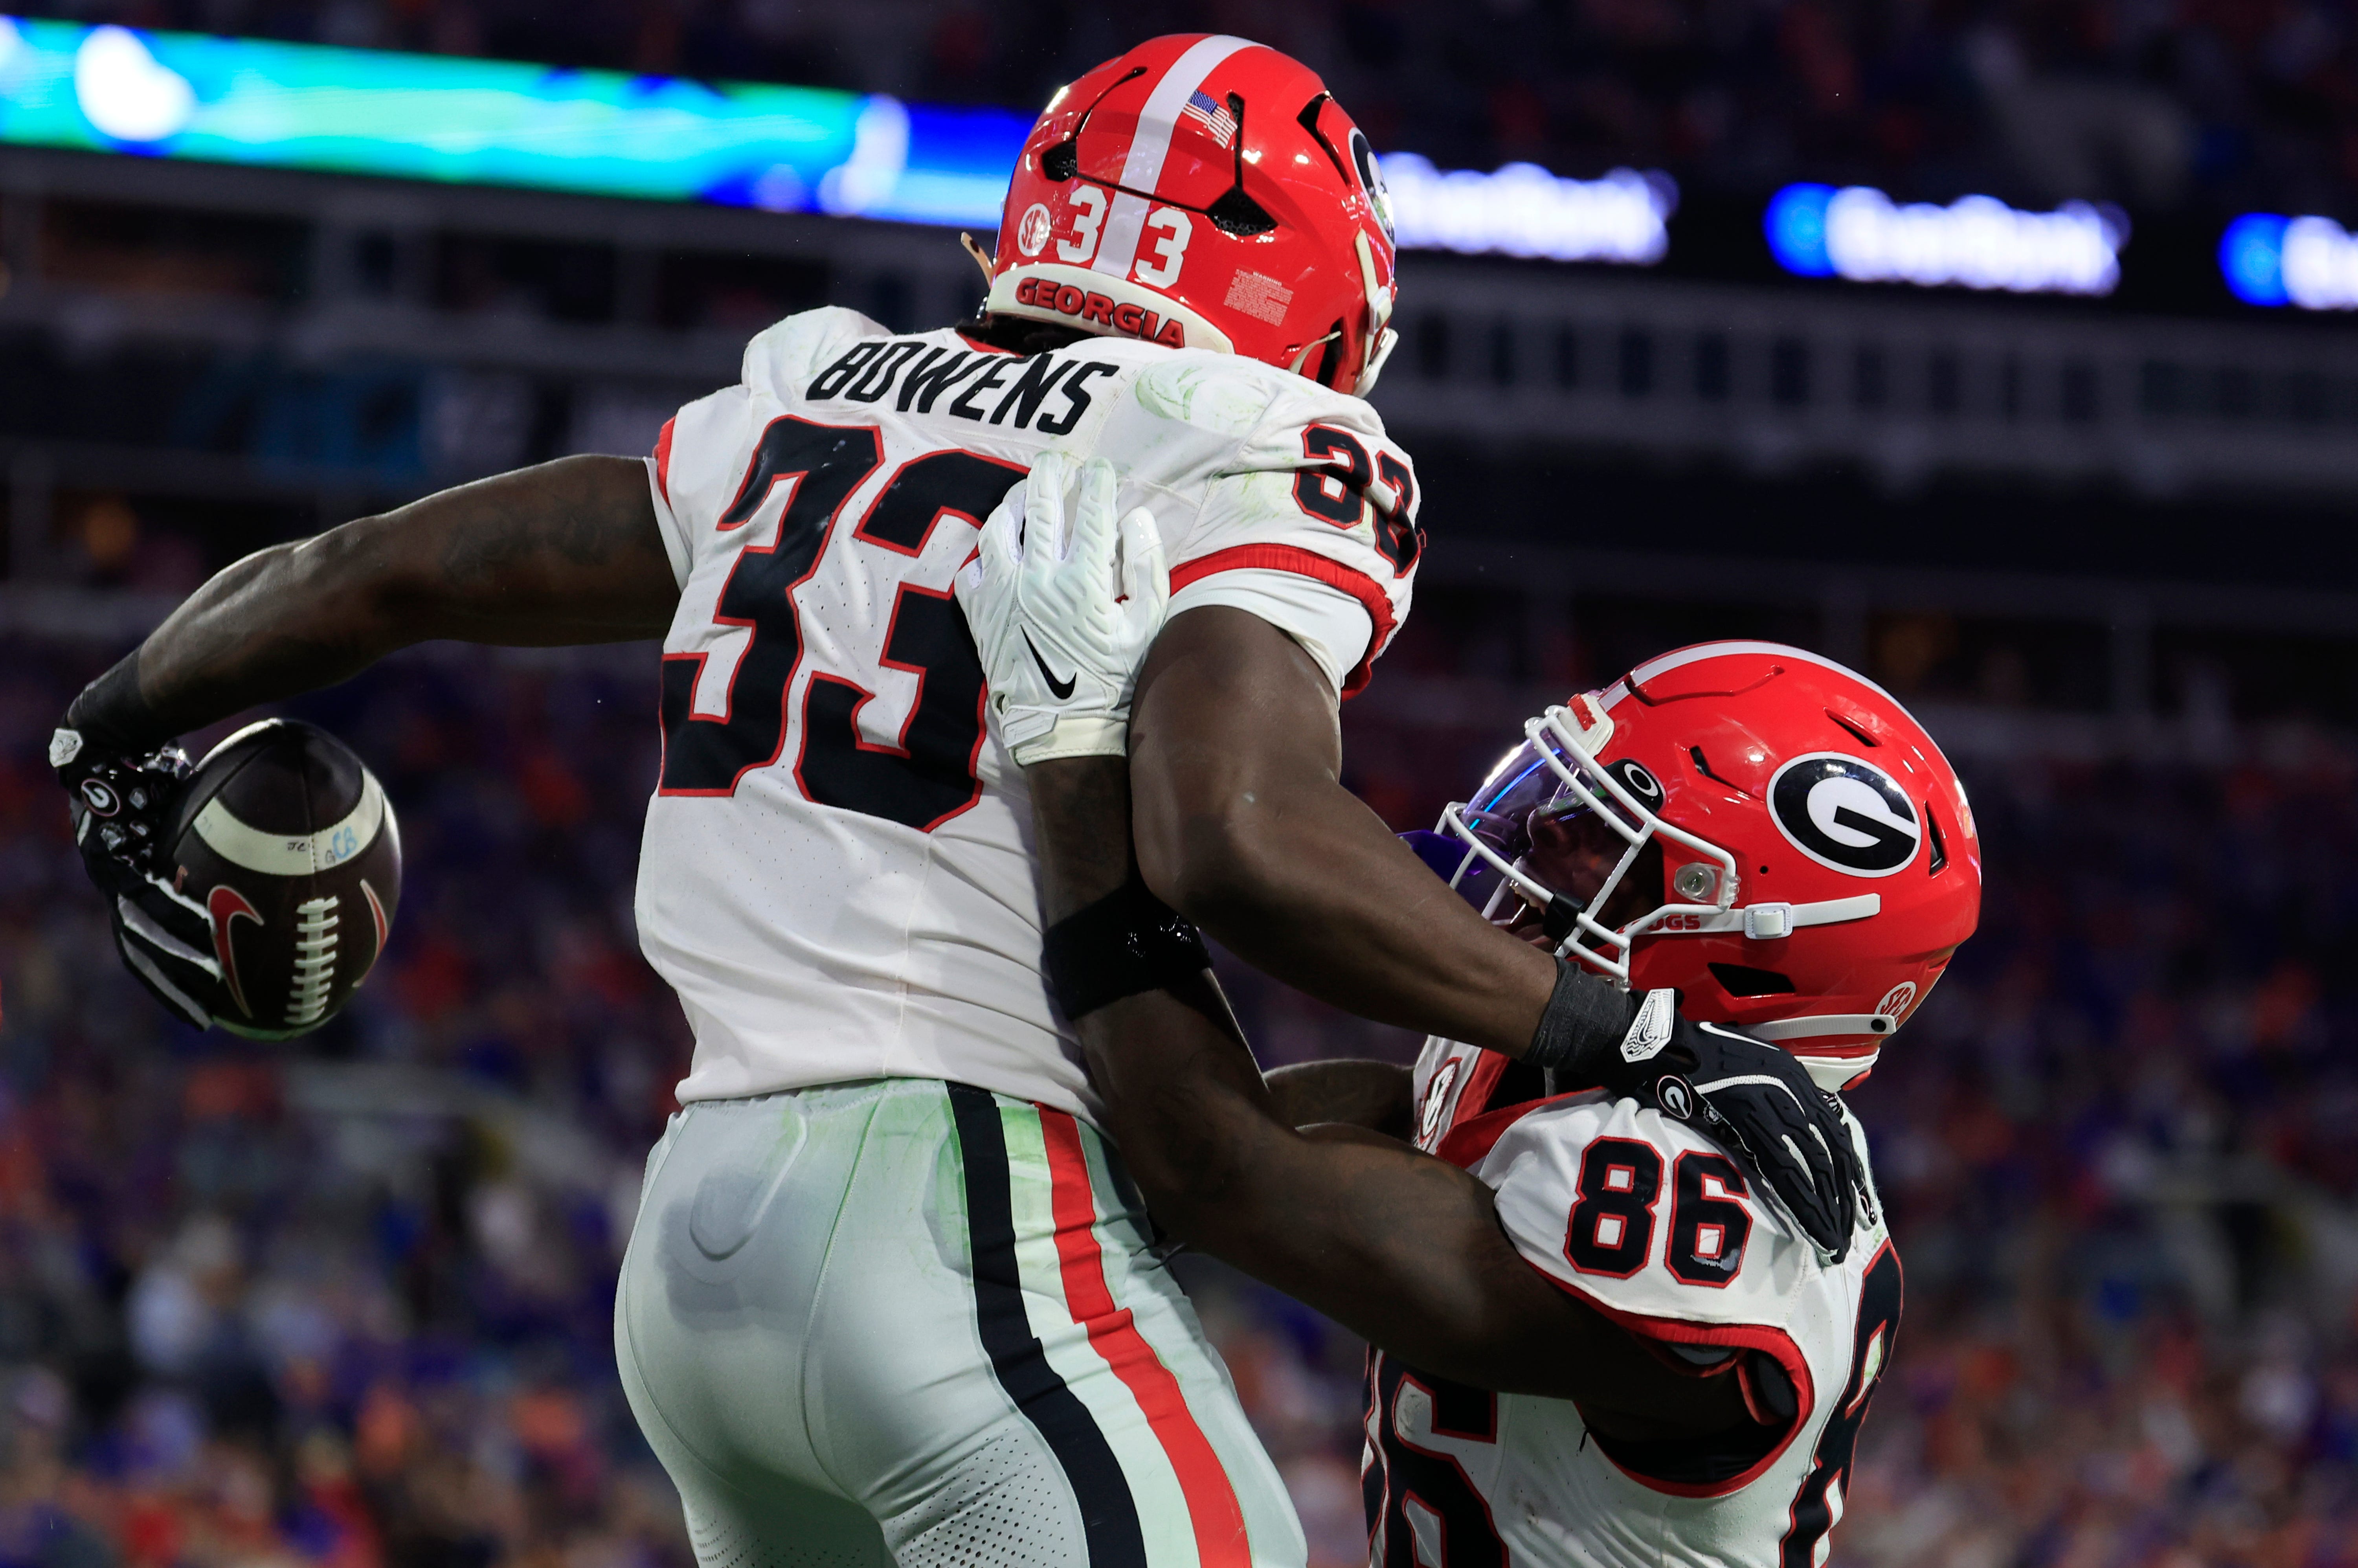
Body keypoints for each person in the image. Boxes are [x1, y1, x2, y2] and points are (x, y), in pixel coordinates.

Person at [49, 33, 1858, 1566]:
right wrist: (1624, 1027)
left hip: (694, 1255)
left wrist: (113, 725)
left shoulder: (812, 386)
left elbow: (383, 570)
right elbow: (1234, 834)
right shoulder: (1241, 439)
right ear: (1307, 297)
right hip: (964, 1226)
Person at [954, 457, 1981, 1566]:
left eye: (1605, 844)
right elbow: (1410, 1118)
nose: (1543, 839)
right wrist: (1116, 1170)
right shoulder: (1617, 1078)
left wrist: (1071, 766)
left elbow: (1227, 1170)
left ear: (1745, 949)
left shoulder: (1729, 1212)